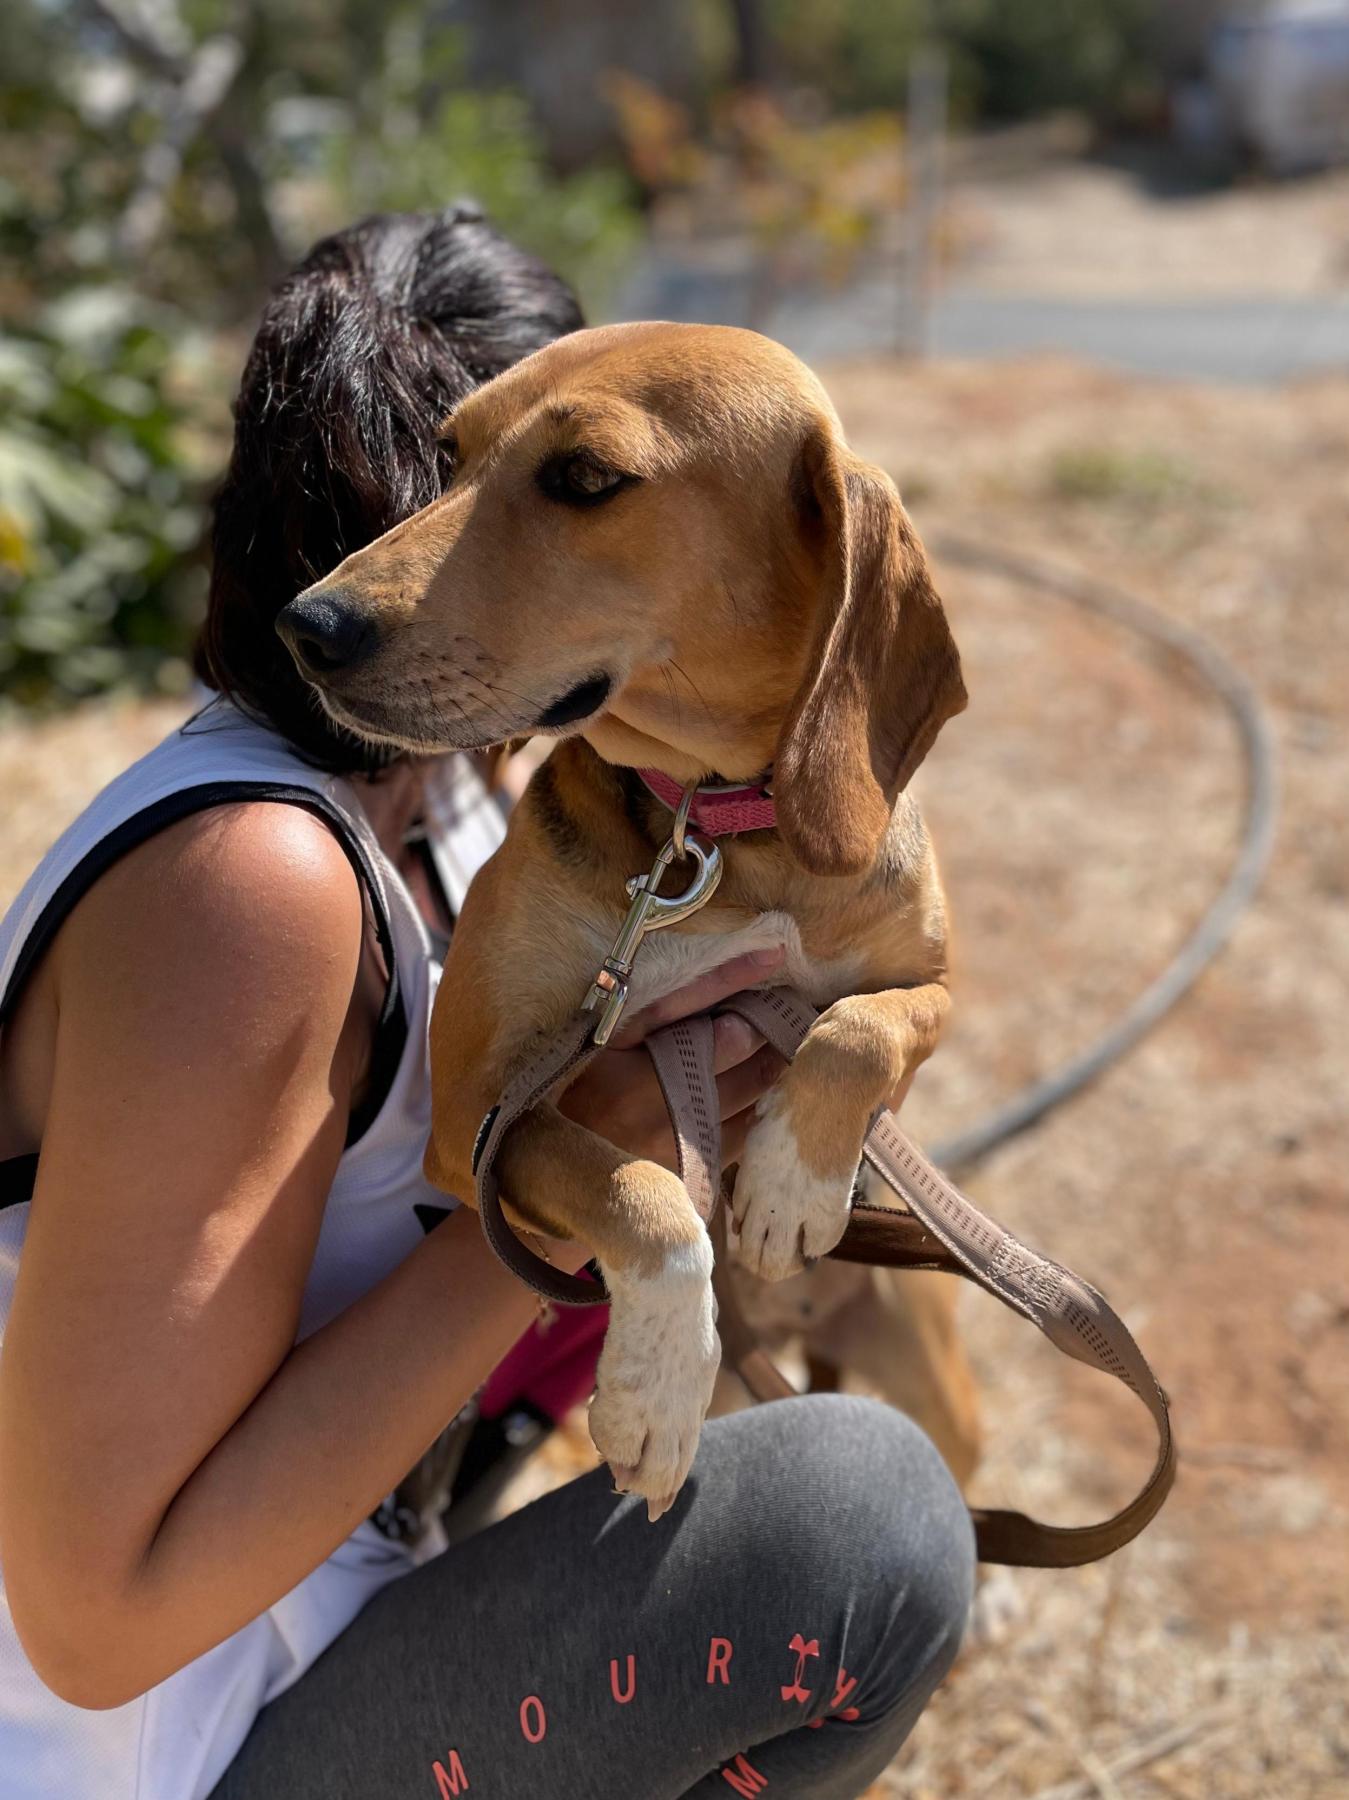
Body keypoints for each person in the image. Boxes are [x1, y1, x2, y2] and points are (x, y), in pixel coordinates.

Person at [0, 207, 973, 1800]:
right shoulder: (246, 885)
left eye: (572, 480)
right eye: (492, 475)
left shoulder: (486, 786)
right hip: (157, 1742)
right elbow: (97, 1632)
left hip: (338, 1599)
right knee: (854, 1523)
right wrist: (589, 1195)